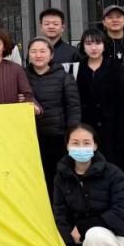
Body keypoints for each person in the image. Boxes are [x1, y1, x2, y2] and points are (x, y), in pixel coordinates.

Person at [26, 37, 82, 194]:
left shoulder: (64, 77)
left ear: (51, 55)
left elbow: (73, 107)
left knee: (57, 179)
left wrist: (72, 135)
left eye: (42, 51)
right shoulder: (22, 76)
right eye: (33, 51)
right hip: (30, 137)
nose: (38, 55)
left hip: (57, 137)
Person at [75, 29, 124, 168]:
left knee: (112, 168)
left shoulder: (116, 67)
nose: (93, 48)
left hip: (112, 129)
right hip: (87, 128)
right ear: (83, 46)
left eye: (98, 43)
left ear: (104, 45)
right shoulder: (79, 67)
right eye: (89, 43)